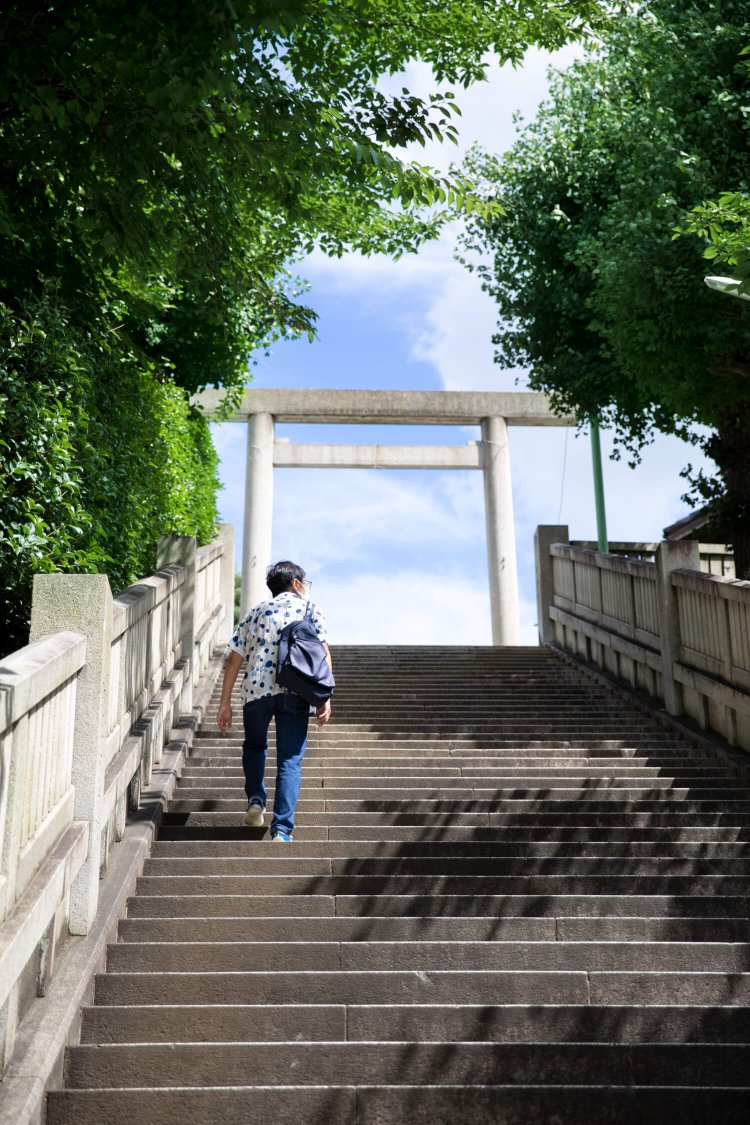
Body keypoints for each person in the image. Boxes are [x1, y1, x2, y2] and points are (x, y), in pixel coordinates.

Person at [216, 561, 331, 842]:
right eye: (305, 582)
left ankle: (256, 798)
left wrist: (224, 702)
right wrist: (325, 696)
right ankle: (281, 830)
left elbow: (233, 658)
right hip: (296, 691)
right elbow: (322, 652)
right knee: (290, 760)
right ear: (295, 583)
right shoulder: (310, 609)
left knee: (254, 746)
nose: (306, 587)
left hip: (256, 692)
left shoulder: (255, 613)